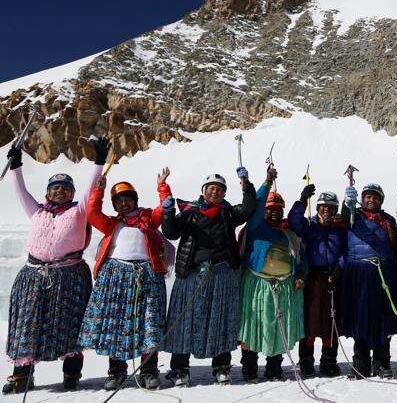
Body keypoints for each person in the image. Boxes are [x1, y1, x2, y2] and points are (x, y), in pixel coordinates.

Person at [4, 137, 109, 394]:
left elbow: (91, 190)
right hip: (32, 275)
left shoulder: (78, 211)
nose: (60, 191)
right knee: (27, 323)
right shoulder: (37, 211)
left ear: (72, 193)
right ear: (48, 192)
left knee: (70, 324)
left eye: (65, 188)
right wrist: (16, 166)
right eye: (55, 187)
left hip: (69, 275)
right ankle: (22, 375)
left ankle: (71, 373)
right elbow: (21, 192)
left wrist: (99, 162)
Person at [79, 169, 174, 390]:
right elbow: (92, 214)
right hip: (116, 279)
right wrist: (99, 190)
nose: (124, 204)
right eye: (119, 201)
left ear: (135, 200)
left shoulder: (149, 219)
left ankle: (149, 371)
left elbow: (164, 208)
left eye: (127, 199)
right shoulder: (111, 224)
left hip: (147, 277)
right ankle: (117, 371)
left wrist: (162, 186)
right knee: (117, 325)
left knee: (148, 324)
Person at [161, 167, 256, 386]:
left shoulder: (228, 213)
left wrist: (246, 183)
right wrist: (167, 213)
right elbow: (171, 232)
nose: (215, 192)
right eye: (211, 188)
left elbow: (249, 209)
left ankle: (221, 366)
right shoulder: (190, 212)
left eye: (220, 189)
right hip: (192, 274)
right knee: (185, 320)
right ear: (204, 191)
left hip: (221, 273)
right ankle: (180, 369)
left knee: (221, 320)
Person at [238, 166, 307, 382]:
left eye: (279, 208)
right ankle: (249, 367)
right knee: (253, 324)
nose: (275, 212)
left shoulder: (289, 234)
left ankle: (274, 367)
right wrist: (267, 183)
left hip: (284, 286)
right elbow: (256, 208)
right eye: (271, 208)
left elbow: (301, 259)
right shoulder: (256, 227)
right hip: (258, 285)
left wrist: (301, 275)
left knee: (279, 327)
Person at [340, 183, 397, 379]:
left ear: (381, 201)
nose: (371, 200)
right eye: (367, 196)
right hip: (358, 273)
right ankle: (360, 363)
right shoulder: (353, 216)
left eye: (375, 197)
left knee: (382, 317)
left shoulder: (388, 220)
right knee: (360, 317)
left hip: (383, 273)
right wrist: (347, 202)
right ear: (362, 198)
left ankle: (382, 363)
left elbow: (394, 248)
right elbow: (344, 216)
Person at [288, 184, 347, 378]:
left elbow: (345, 252)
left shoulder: (339, 230)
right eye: (323, 207)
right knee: (310, 321)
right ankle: (306, 361)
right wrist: (303, 200)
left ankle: (329, 361)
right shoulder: (309, 226)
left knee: (331, 320)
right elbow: (294, 220)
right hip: (312, 278)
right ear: (318, 208)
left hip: (332, 278)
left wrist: (339, 269)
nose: (327, 210)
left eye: (331, 207)